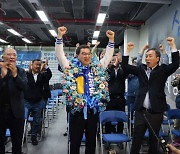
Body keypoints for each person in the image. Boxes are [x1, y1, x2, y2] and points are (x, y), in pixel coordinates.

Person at [55, 26, 114, 154]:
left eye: (88, 54)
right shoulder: (70, 67)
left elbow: (108, 57)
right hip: (77, 111)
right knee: (75, 142)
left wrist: (111, 41)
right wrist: (59, 37)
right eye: (84, 53)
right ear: (77, 55)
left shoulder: (97, 68)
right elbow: (60, 55)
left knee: (91, 141)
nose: (87, 56)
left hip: (93, 110)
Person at [122, 37, 179, 154]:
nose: (147, 58)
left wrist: (173, 45)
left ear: (158, 58)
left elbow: (175, 64)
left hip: (156, 113)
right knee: (136, 141)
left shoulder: (162, 70)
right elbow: (125, 67)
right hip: (141, 112)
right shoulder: (140, 70)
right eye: (146, 56)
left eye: (150, 56)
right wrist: (127, 51)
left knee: (154, 142)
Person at [0, 48, 27, 154]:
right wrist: (3, 77)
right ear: (3, 57)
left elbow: (24, 87)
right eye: (9, 54)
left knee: (17, 142)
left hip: (16, 112)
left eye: (14, 55)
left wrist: (15, 75)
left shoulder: (21, 71)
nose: (12, 57)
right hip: (1, 111)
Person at [24, 59, 47, 145]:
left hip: (38, 102)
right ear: (31, 65)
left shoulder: (43, 76)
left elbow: (49, 76)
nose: (37, 66)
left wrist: (46, 67)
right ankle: (23, 136)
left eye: (39, 65)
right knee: (24, 120)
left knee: (37, 121)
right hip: (26, 102)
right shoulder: (26, 75)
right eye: (36, 64)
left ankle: (34, 137)